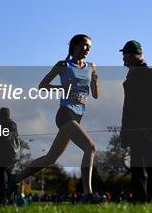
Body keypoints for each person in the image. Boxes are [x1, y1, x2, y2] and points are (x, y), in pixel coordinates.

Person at [15, 34, 100, 200]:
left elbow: (95, 95)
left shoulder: (92, 66)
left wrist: (95, 83)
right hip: (65, 114)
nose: (88, 49)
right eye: (84, 45)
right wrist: (62, 87)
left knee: (50, 158)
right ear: (75, 46)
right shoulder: (63, 65)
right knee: (90, 147)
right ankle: (88, 193)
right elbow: (42, 86)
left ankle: (14, 180)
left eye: (90, 47)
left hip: (78, 115)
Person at [119, 40, 152, 202]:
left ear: (132, 56)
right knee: (137, 169)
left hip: (149, 131)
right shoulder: (133, 75)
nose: (123, 59)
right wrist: (125, 134)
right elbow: (129, 109)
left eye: (125, 55)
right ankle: (140, 202)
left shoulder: (149, 74)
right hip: (135, 131)